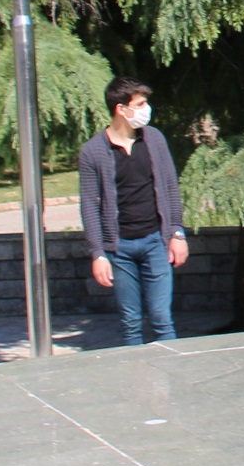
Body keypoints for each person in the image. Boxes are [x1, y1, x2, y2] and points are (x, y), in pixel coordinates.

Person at [80, 78, 188, 344]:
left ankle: (174, 380)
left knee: (162, 319)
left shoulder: (154, 139)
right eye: (140, 104)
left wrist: (177, 233)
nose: (146, 108)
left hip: (156, 243)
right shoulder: (93, 152)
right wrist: (98, 253)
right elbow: (89, 206)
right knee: (131, 324)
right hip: (121, 251)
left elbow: (170, 187)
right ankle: (139, 381)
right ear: (121, 109)